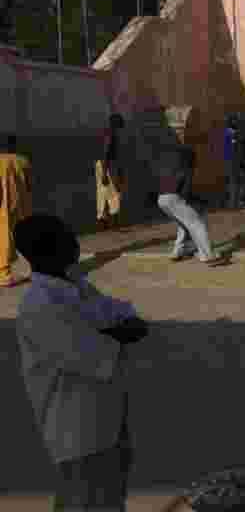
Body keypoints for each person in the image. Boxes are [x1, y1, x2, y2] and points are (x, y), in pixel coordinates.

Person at [14, 213, 149, 512]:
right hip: (77, 434)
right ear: (47, 250)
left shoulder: (74, 284)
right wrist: (115, 329)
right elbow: (100, 354)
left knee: (109, 500)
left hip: (108, 421)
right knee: (84, 501)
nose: (75, 243)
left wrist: (112, 327)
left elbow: (119, 313)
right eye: (66, 238)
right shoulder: (40, 306)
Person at [156, 148, 230, 266]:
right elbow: (186, 192)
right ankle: (208, 256)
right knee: (197, 224)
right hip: (173, 198)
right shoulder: (186, 169)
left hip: (161, 200)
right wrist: (201, 201)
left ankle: (178, 251)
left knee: (184, 224)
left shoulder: (170, 168)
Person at [0, 133, 31, 287]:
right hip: (21, 206)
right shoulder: (23, 160)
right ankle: (32, 269)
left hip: (3, 206)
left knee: (4, 237)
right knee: (22, 237)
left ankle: (4, 273)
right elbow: (30, 185)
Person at [97, 114, 124, 231]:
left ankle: (105, 223)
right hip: (108, 166)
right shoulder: (111, 134)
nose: (122, 126)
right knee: (114, 194)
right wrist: (105, 172)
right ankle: (113, 224)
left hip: (102, 165)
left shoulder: (106, 133)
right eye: (120, 123)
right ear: (116, 124)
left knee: (104, 194)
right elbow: (106, 152)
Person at [224, 114, 242, 210]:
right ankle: (233, 204)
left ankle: (233, 203)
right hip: (231, 160)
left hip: (230, 160)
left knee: (233, 182)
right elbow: (234, 147)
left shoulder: (228, 132)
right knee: (233, 182)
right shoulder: (231, 133)